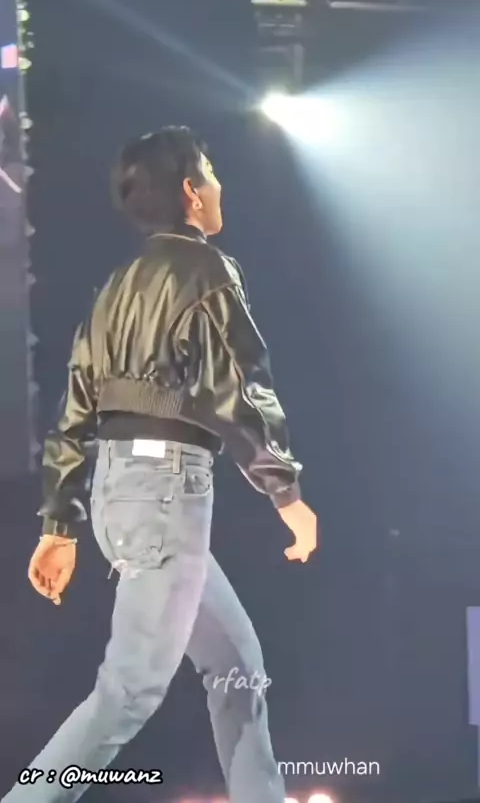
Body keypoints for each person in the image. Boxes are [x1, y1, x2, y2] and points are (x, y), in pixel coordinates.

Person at [3, 126, 318, 802]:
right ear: (190, 192)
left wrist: (59, 525)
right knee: (127, 694)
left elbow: (75, 405)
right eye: (211, 173)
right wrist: (287, 494)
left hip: (122, 494)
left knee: (237, 668)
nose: (220, 186)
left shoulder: (115, 287)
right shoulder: (207, 269)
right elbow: (241, 387)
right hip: (166, 494)